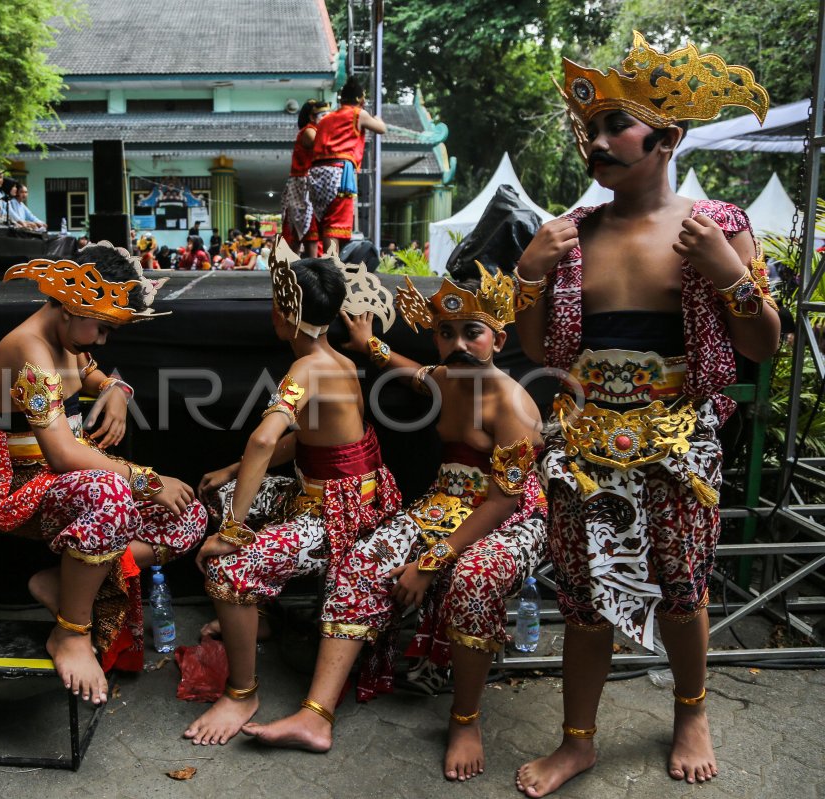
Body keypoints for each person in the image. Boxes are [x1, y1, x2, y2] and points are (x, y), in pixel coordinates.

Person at [512, 34, 778, 797]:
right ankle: (578, 741)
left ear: (668, 138)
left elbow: (763, 342)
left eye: (614, 128)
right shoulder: (573, 233)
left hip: (676, 442)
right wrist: (530, 272)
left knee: (683, 589)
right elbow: (540, 351)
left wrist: (729, 274)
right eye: (587, 130)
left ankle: (691, 712)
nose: (595, 143)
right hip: (588, 443)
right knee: (584, 598)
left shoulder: (716, 224)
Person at [277, 267, 543, 780]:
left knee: (474, 578)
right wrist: (369, 344)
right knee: (361, 563)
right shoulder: (448, 377)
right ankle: (316, 715)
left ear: (499, 338)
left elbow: (504, 502)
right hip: (445, 504)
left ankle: (465, 719)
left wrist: (431, 560)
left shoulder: (509, 401)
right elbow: (415, 373)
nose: (458, 343)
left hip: (511, 514)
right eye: (446, 333)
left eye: (473, 331)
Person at [0, 245, 207, 704]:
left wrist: (116, 388)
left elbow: (92, 375)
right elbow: (61, 455)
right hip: (20, 482)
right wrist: (147, 480)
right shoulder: (26, 349)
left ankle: (60, 582)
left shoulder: (70, 339)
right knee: (114, 492)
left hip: (71, 478)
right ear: (73, 305)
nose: (103, 341)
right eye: (103, 327)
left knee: (189, 513)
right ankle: (71, 631)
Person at [184, 242, 400, 747]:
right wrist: (234, 470)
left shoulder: (305, 370)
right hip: (333, 493)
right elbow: (305, 441)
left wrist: (233, 534)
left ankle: (242, 692)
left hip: (339, 514)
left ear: (285, 314)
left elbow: (264, 437)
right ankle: (253, 622)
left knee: (225, 567)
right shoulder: (339, 361)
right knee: (223, 494)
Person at [308, 77, 385, 252]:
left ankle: (328, 265)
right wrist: (378, 118)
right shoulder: (358, 113)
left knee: (325, 221)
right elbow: (381, 129)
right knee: (334, 225)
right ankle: (332, 268)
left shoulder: (326, 119)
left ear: (341, 99)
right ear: (360, 99)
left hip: (317, 173)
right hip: (339, 172)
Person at [282, 99, 329, 256]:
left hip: (311, 185)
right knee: (306, 234)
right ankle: (304, 273)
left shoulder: (315, 129)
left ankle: (307, 272)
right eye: (323, 115)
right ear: (311, 116)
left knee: (308, 233)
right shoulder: (309, 131)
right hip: (303, 186)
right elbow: (323, 146)